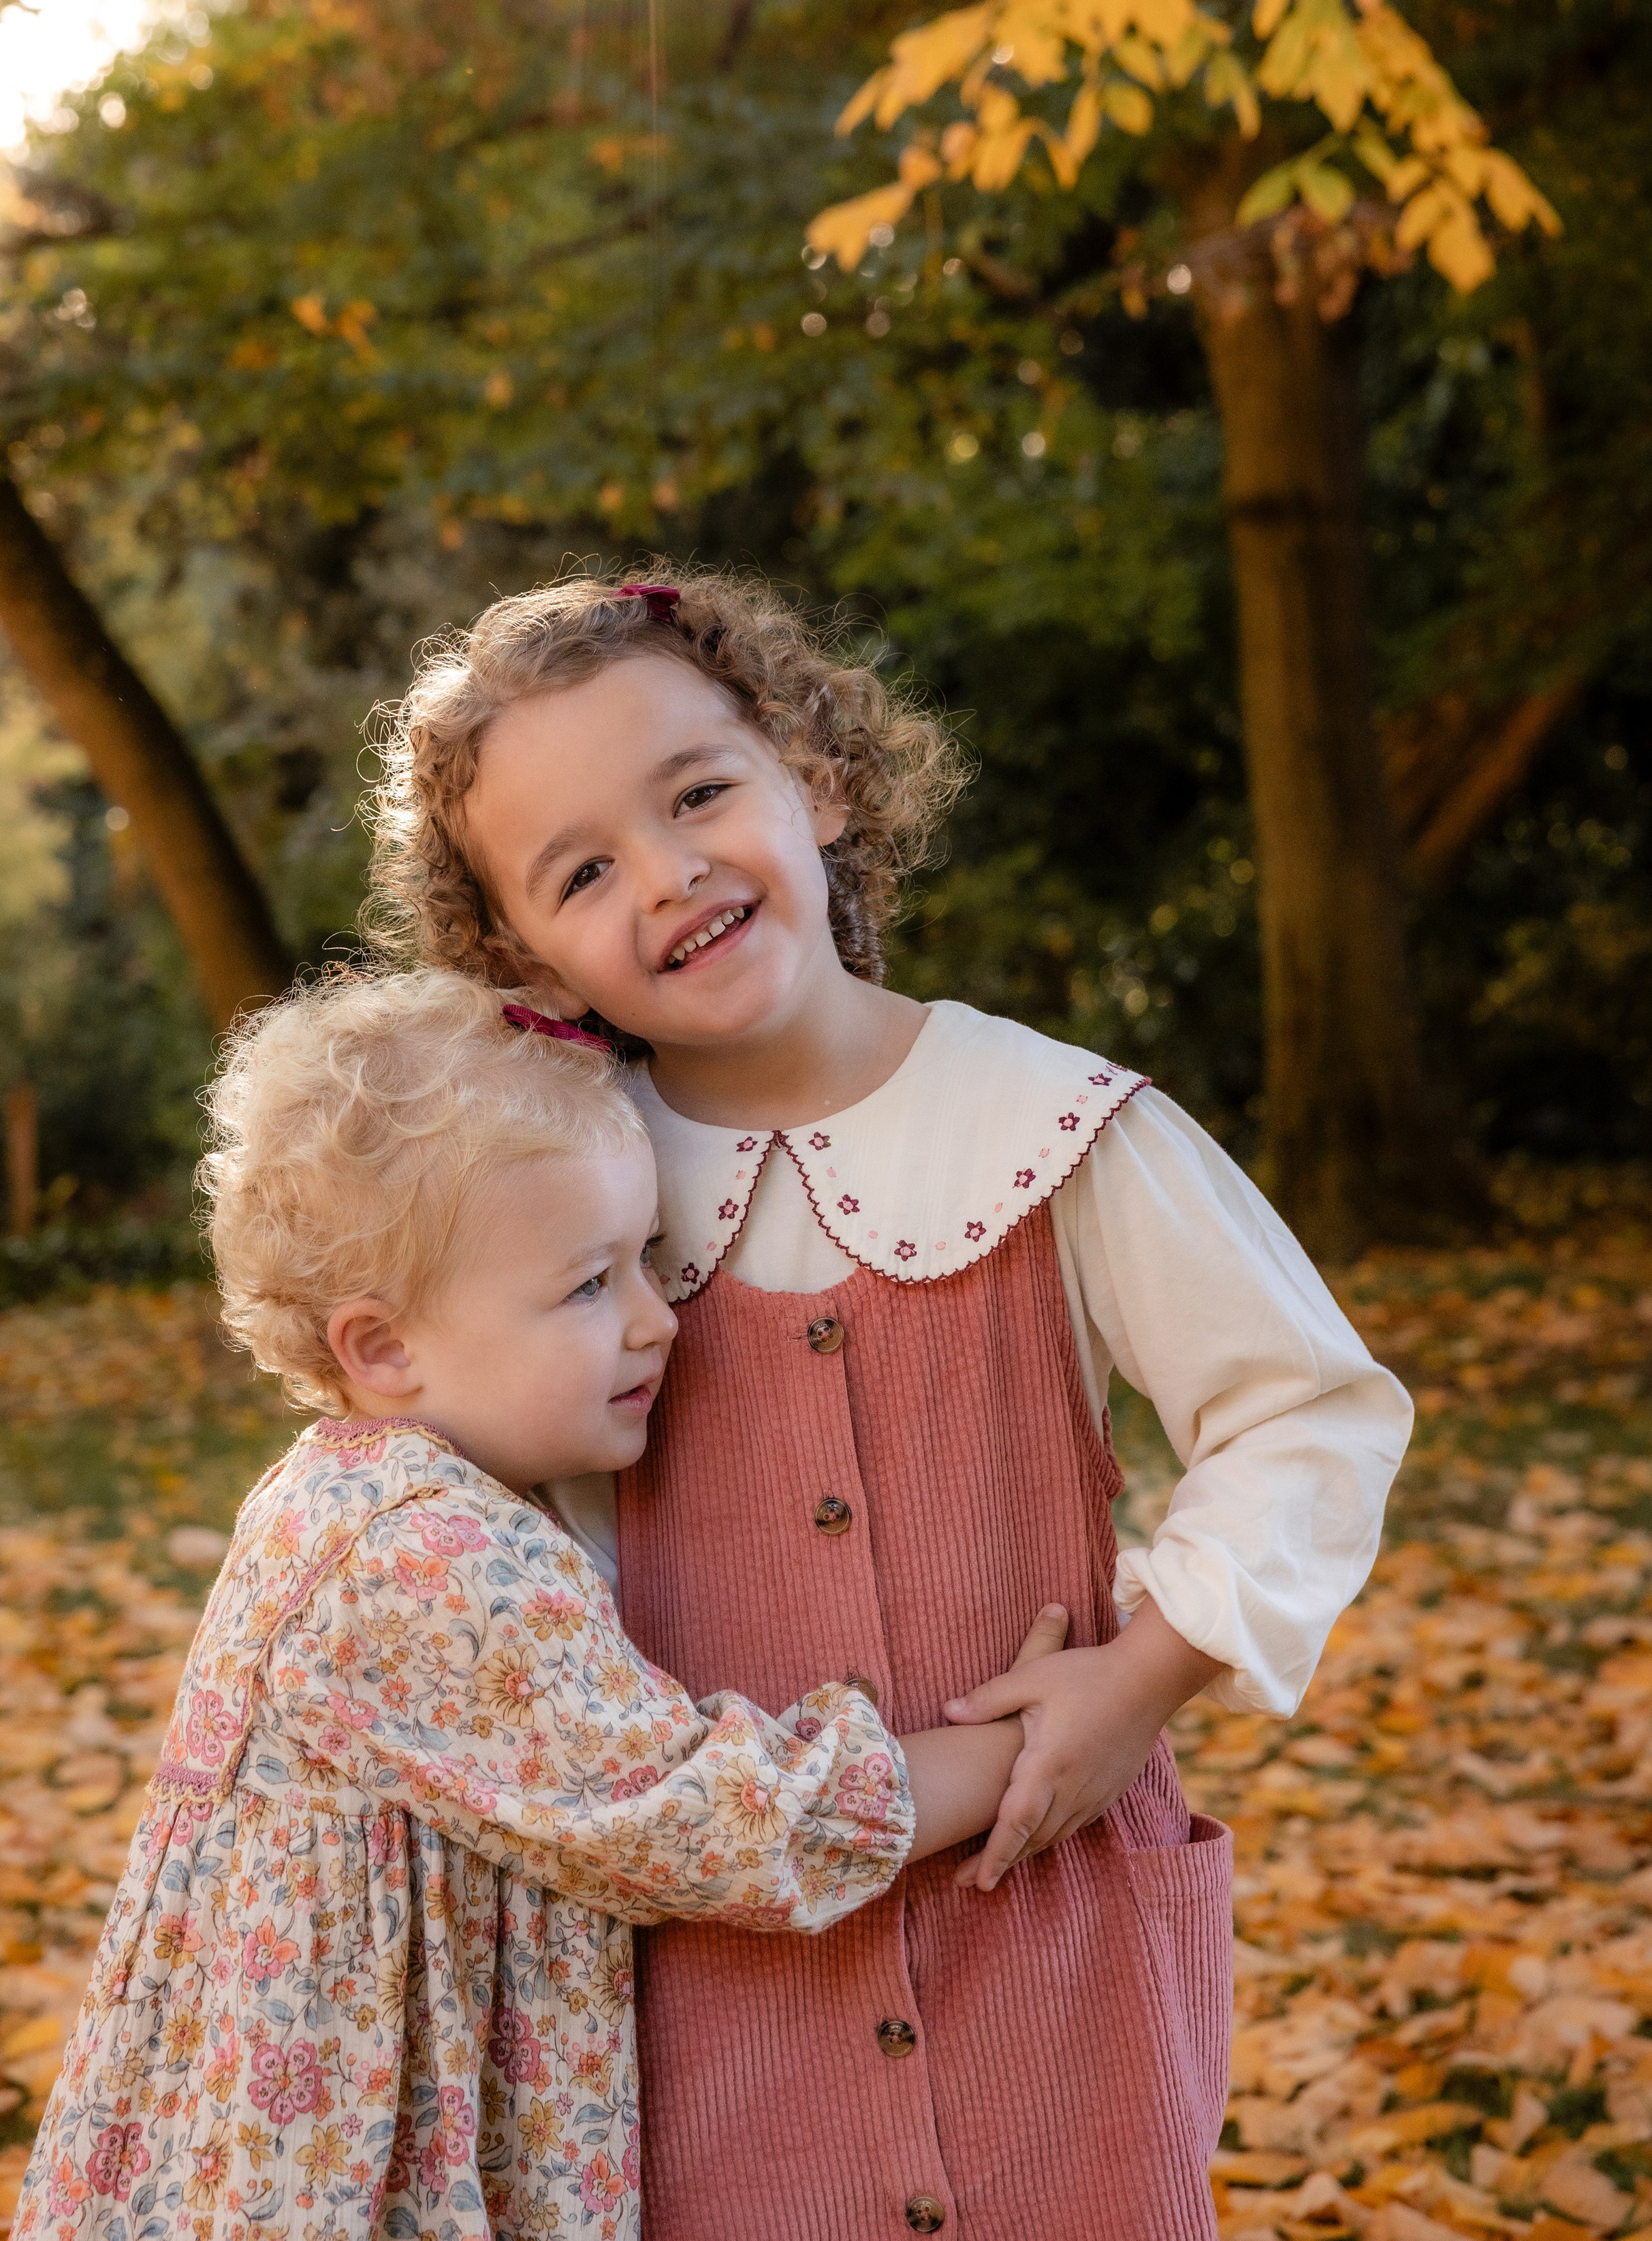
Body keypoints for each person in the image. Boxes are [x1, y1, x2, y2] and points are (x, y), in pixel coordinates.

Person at [366, 567, 1416, 2241]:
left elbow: (1305, 1412)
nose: (670, 874)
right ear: (517, 948)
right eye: (581, 871)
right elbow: (468, 1504)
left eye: (699, 792)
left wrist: (1141, 1681)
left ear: (818, 774)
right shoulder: (561, 1199)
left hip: (1047, 1911)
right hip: (714, 1967)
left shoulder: (1055, 1122)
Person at [11, 970, 1063, 2241]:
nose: (656, 1320)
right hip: (336, 2181)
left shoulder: (346, 1491)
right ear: (383, 1347)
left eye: (647, 1263)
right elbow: (714, 1823)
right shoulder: (430, 1558)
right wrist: (1028, 1748)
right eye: (587, 1286)